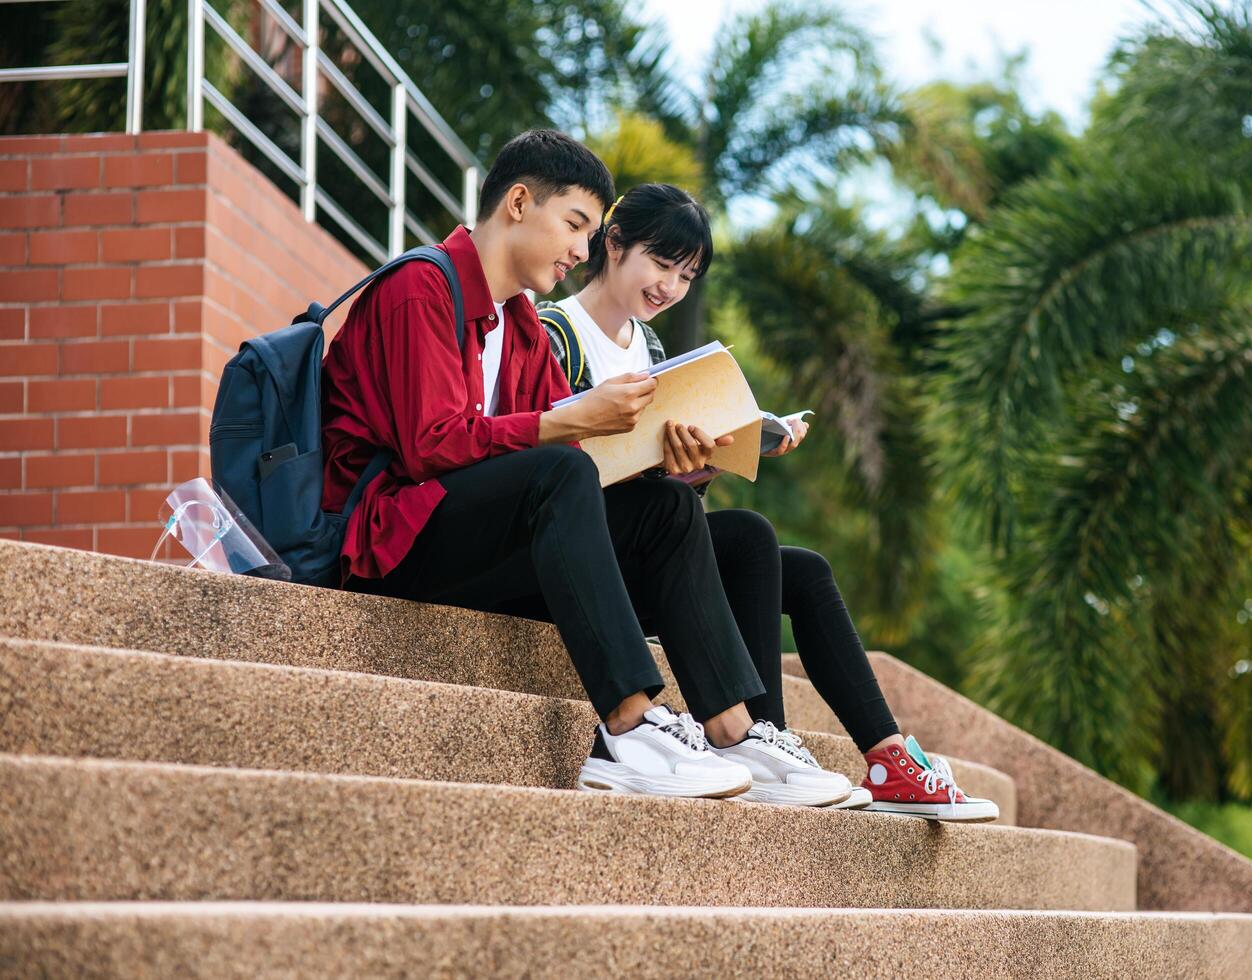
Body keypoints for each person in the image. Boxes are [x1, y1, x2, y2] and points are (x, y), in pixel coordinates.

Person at [319, 130, 847, 808]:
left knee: (668, 510)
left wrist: (675, 462)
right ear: (517, 202)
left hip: (473, 549)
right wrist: (573, 418)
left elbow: (574, 462)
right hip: (390, 544)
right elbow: (431, 446)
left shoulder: (521, 327)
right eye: (574, 224)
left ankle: (733, 730)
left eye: (589, 232)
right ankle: (627, 729)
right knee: (558, 473)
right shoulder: (421, 285)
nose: (580, 249)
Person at [539, 182, 999, 821]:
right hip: (586, 550)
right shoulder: (553, 331)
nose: (670, 287)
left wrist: (705, 458)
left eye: (686, 275)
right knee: (747, 537)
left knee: (784, 557)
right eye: (660, 263)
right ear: (613, 245)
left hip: (646, 529)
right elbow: (551, 472)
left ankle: (851, 755)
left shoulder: (652, 351)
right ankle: (750, 739)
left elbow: (661, 486)